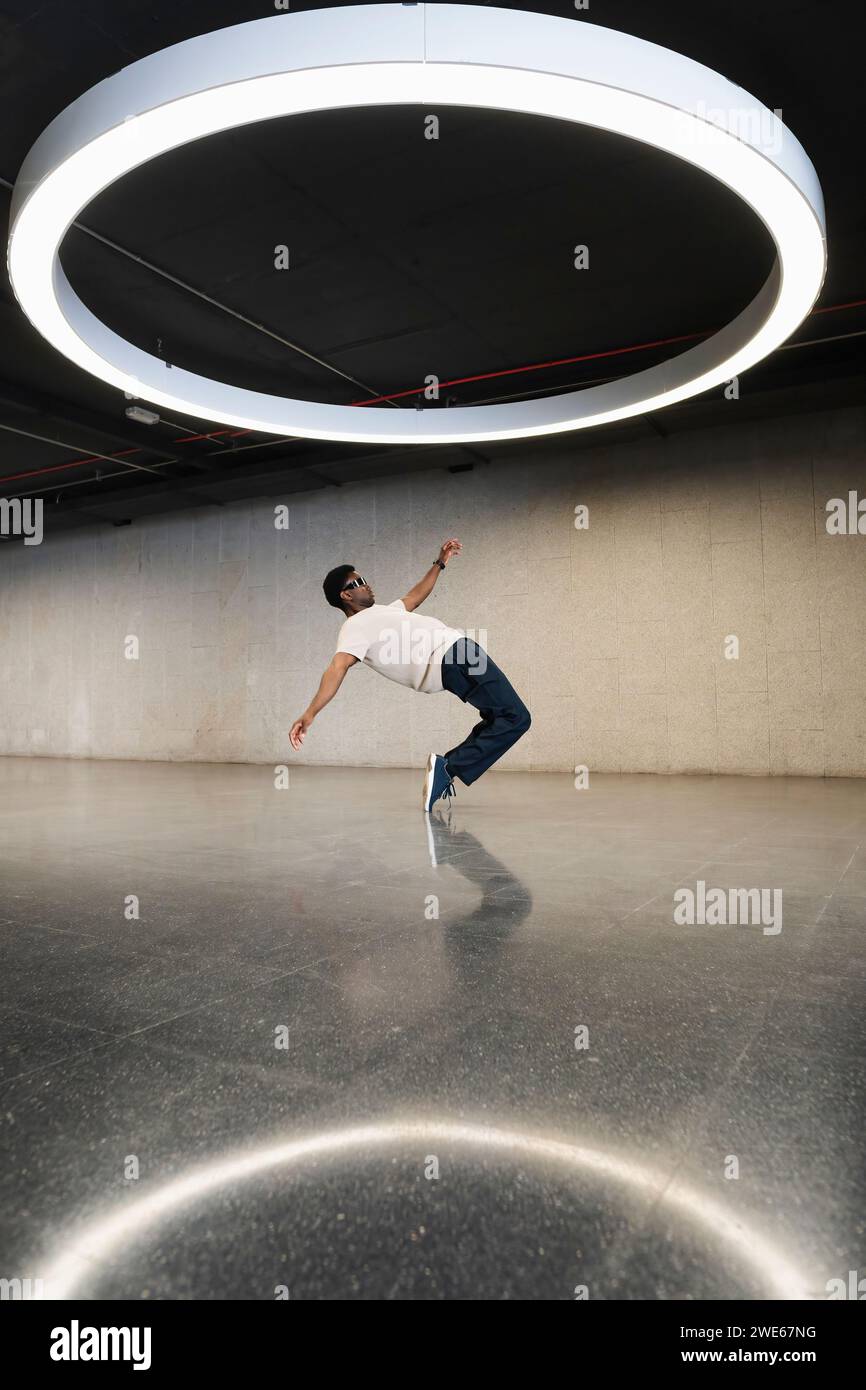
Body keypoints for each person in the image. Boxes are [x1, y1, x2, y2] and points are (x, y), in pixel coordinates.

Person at [288, 540, 531, 811]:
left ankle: (447, 768)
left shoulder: (382, 612)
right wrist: (310, 713)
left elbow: (415, 595)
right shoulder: (354, 627)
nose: (367, 585)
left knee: (502, 717)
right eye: (359, 582)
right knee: (516, 717)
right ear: (345, 596)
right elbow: (337, 668)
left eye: (365, 579)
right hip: (455, 655)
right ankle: (448, 768)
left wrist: (440, 562)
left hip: (455, 657)